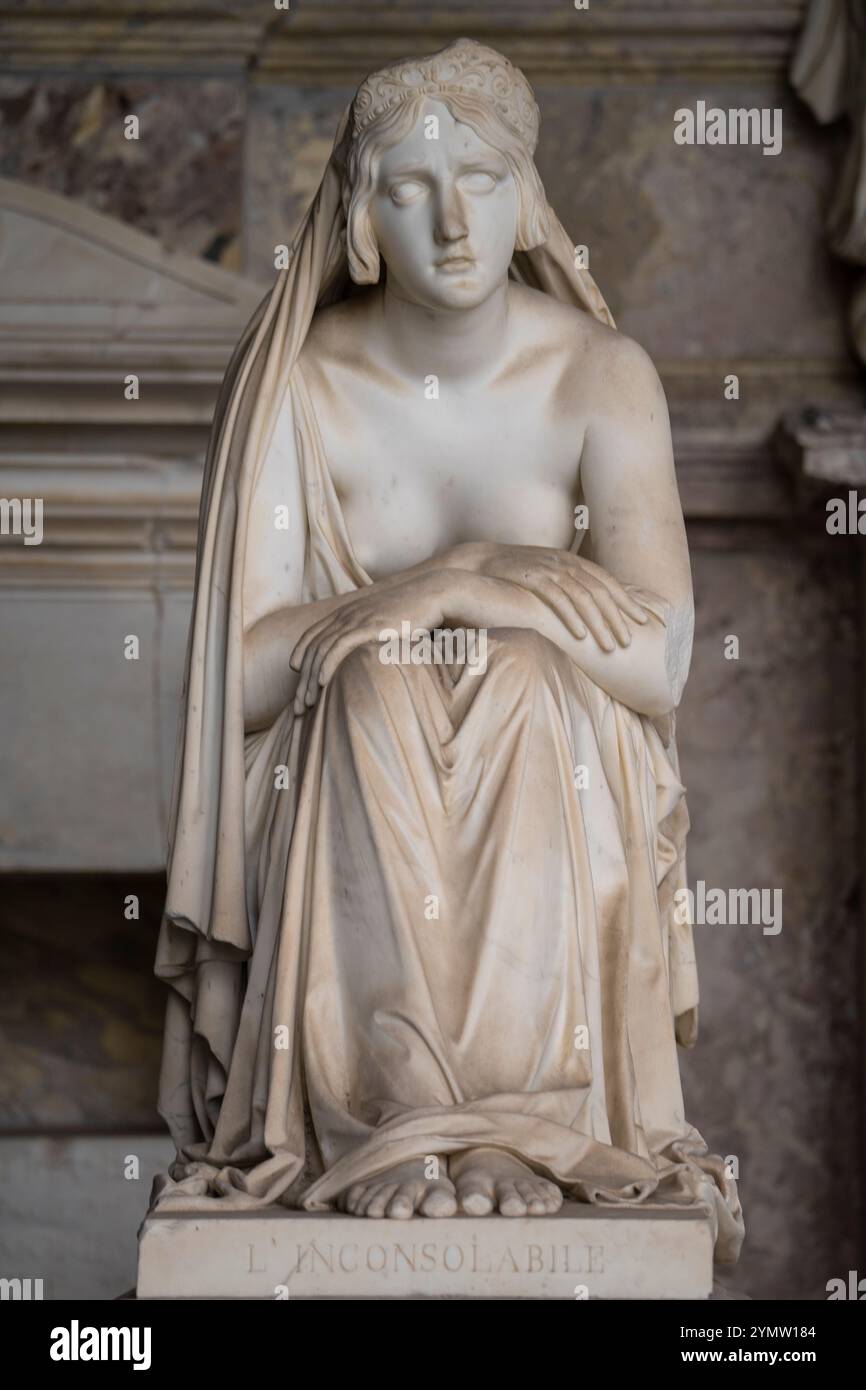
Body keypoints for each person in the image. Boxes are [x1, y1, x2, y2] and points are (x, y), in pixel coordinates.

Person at [153, 38, 743, 1261]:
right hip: (344, 756)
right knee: (372, 678)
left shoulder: (596, 375)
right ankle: (399, 1118)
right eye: (409, 188)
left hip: (555, 752)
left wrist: (496, 602)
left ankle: (510, 1124)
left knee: (524, 676)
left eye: (478, 179)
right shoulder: (299, 390)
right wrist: (446, 584)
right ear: (362, 217)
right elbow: (247, 677)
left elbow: (658, 657)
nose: (450, 221)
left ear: (526, 198)